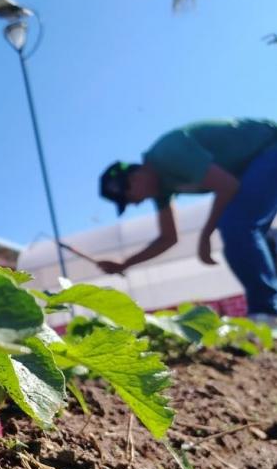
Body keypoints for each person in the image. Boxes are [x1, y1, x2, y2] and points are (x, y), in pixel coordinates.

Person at [98, 118, 277, 322]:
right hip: (255, 164)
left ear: (133, 179)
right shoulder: (162, 186)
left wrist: (206, 235)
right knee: (253, 240)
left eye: (130, 199)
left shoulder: (168, 154)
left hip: (269, 147)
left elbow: (228, 186)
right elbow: (168, 238)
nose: (137, 204)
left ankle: (267, 313)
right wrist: (124, 264)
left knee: (237, 225)